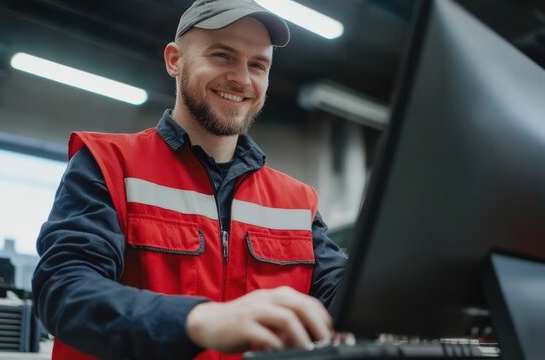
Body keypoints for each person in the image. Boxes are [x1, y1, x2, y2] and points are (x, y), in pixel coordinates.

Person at [32, 0, 348, 359]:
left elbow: (349, 299)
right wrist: (199, 320)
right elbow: (64, 289)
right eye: (223, 56)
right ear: (174, 60)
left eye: (257, 64)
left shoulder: (297, 202)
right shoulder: (108, 164)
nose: (242, 79)